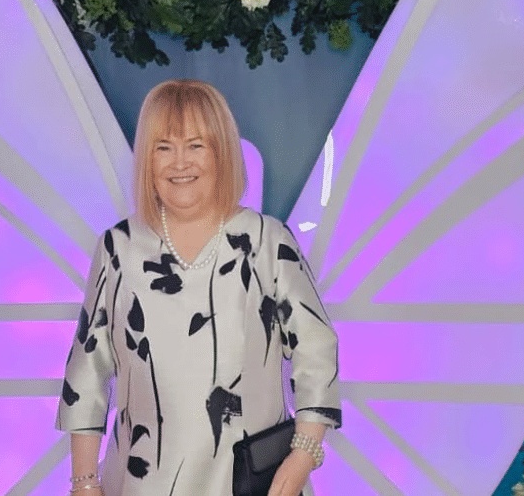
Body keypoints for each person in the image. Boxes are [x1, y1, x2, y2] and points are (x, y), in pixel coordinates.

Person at [56, 79, 340, 496]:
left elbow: (316, 348)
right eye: (163, 147)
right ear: (146, 160)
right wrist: (84, 483)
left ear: (221, 152)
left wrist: (304, 453)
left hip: (251, 483)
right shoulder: (119, 248)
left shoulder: (267, 242)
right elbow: (86, 371)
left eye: (195, 145)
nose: (179, 163)